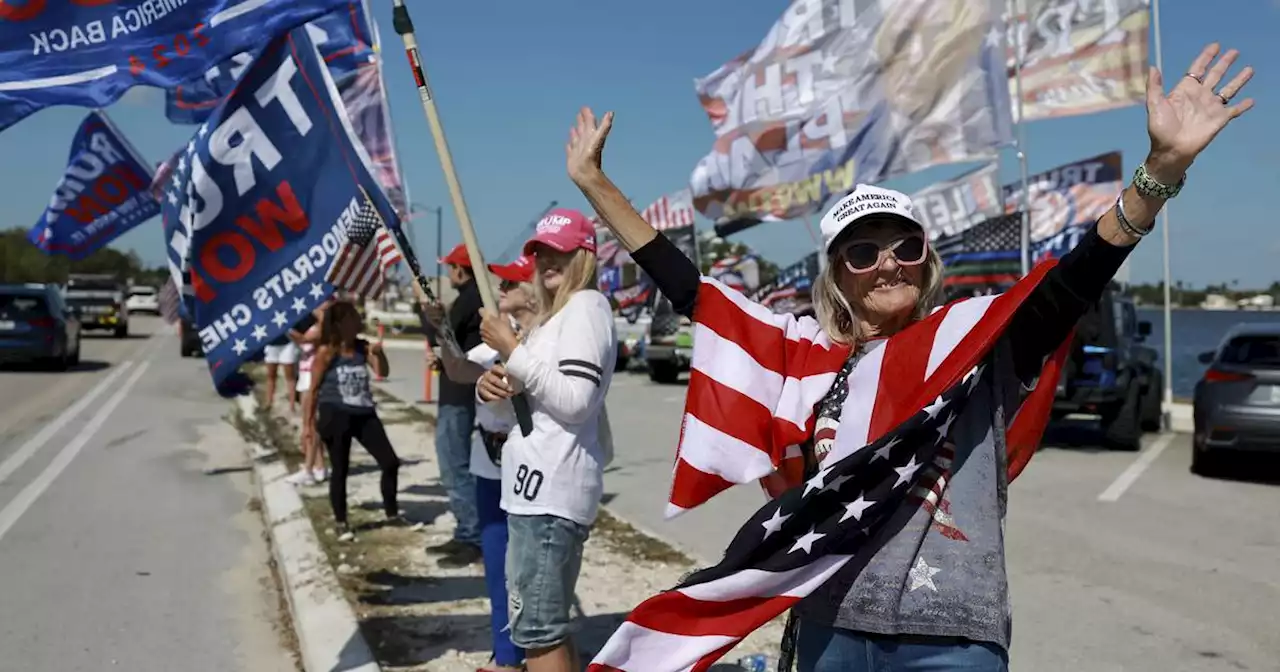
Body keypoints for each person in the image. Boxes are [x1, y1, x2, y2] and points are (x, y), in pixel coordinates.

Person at [564, 43, 1252, 672]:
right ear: (837, 274)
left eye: (905, 245)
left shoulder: (976, 345)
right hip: (828, 625)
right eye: (863, 252)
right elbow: (694, 292)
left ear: (927, 264)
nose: (886, 261)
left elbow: (1072, 282)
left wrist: (1160, 171)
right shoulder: (799, 359)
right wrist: (597, 187)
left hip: (951, 637)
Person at [477, 209, 617, 672]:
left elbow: (576, 401)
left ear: (585, 255)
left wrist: (514, 351)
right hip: (533, 488)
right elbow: (531, 397)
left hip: (551, 492)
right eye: (540, 252)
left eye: (560, 250)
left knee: (537, 630)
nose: (548, 260)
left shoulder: (586, 307)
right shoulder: (554, 318)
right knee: (545, 626)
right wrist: (493, 386)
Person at [467, 255, 538, 672]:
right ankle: (507, 656)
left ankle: (538, 652)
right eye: (502, 282)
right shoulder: (487, 344)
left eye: (512, 281)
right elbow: (463, 368)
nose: (501, 289)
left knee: (532, 571)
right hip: (490, 467)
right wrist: (479, 386)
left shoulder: (553, 339)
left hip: (535, 473)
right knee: (497, 566)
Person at [303, 300, 402, 542]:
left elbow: (382, 372)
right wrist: (307, 424)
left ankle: (391, 512)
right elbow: (313, 389)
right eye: (354, 317)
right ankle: (341, 521)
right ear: (340, 324)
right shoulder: (327, 352)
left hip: (364, 413)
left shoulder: (362, 347)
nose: (359, 321)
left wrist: (379, 355)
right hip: (335, 414)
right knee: (340, 470)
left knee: (390, 462)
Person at [412, 244, 486, 566]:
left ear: (460, 269)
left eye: (450, 268)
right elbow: (452, 347)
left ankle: (471, 537)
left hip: (459, 397)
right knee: (455, 464)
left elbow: (443, 335)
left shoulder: (470, 299)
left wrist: (424, 311)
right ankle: (465, 533)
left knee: (454, 465)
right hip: (457, 391)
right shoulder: (472, 297)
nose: (446, 273)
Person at [287, 301, 330, 486]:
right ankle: (319, 467)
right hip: (305, 376)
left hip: (314, 379)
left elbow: (304, 340)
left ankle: (308, 470)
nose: (317, 307)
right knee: (310, 424)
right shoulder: (314, 326)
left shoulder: (325, 329)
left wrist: (285, 328)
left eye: (322, 306)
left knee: (310, 427)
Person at [262, 331, 300, 414]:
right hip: (271, 343)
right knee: (271, 375)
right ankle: (269, 402)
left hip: (287, 343)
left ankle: (292, 405)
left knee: (290, 376)